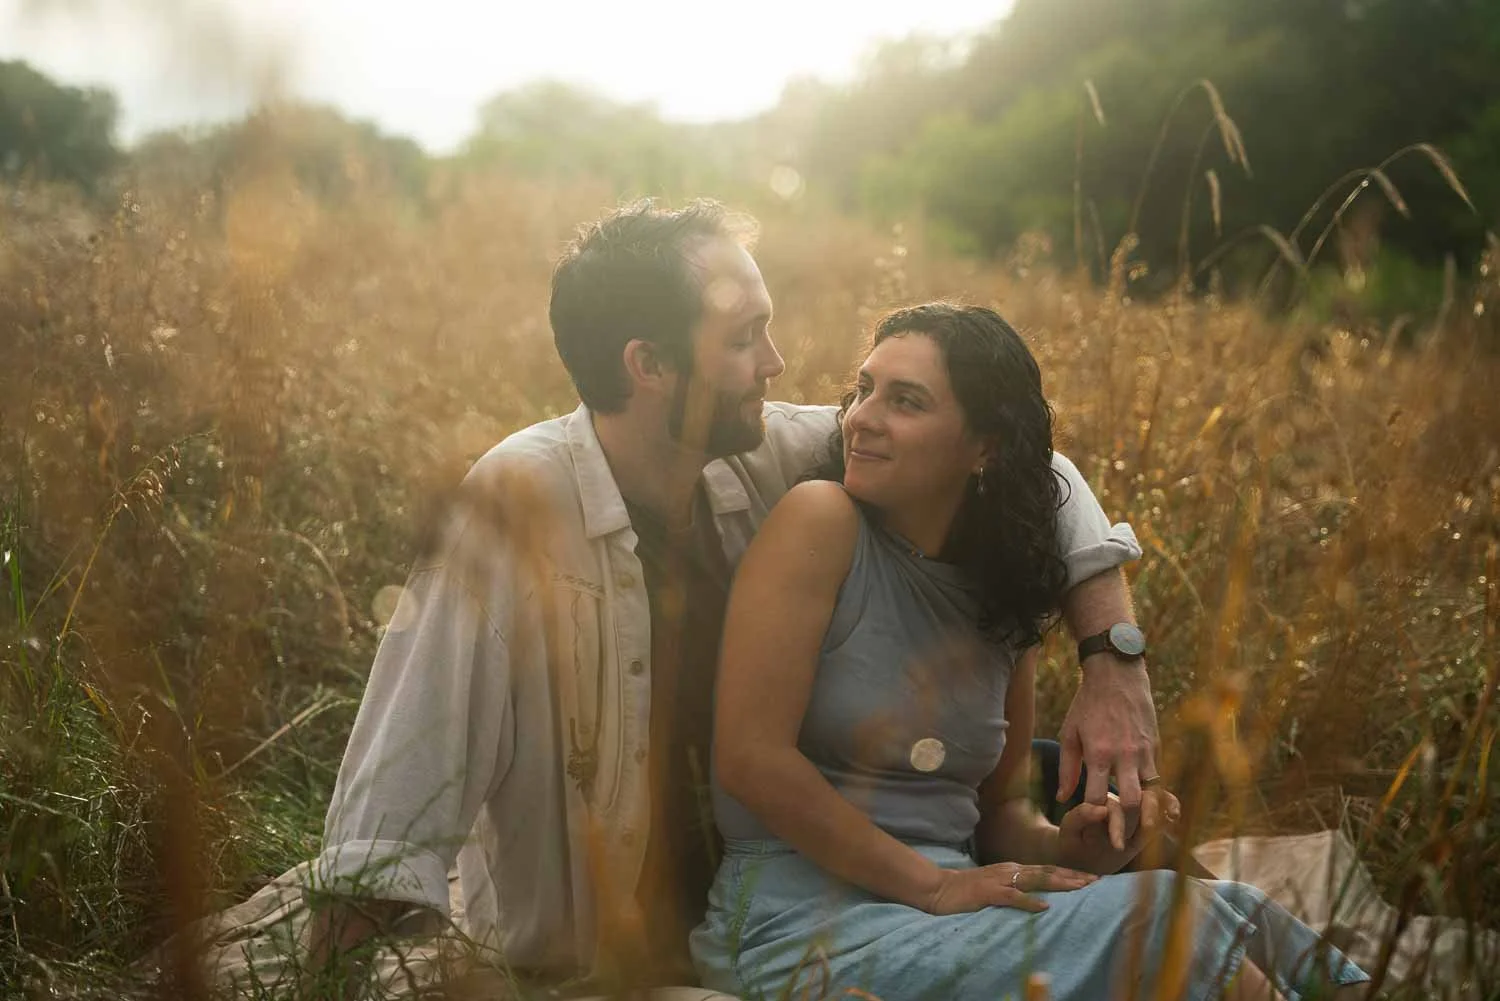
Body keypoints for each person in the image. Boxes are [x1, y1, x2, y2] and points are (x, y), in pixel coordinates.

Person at [306, 201, 1162, 996]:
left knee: (1159, 891)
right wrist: (330, 970)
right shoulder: (511, 509)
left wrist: (1111, 658)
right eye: (745, 339)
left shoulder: (767, 448)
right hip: (618, 955)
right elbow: (395, 792)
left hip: (832, 894)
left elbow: (1025, 466)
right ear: (651, 365)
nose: (777, 364)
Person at [697, 303, 1370, 1000]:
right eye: (864, 389)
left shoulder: (1004, 587)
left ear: (984, 447)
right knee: (1172, 921)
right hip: (798, 918)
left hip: (951, 898)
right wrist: (934, 886)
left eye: (906, 401)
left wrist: (1069, 848)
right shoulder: (821, 519)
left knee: (1242, 911)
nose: (862, 416)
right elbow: (751, 759)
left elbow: (997, 814)